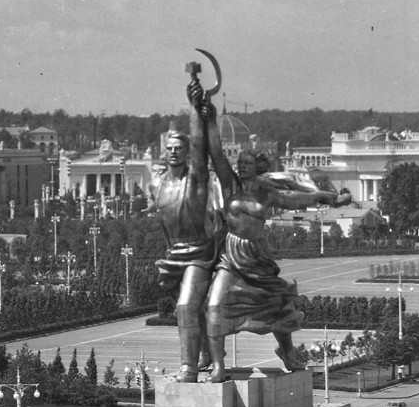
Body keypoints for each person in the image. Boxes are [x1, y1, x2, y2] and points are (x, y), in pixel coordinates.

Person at [200, 96, 350, 372]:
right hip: (230, 256)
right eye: (240, 162)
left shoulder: (268, 194)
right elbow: (217, 154)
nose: (240, 165)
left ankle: (288, 352)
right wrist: (210, 120)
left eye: (246, 162)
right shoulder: (230, 185)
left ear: (257, 167)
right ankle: (216, 362)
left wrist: (332, 200)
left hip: (256, 257)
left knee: (276, 305)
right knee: (214, 304)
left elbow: (302, 198)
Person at [147, 76, 223, 382]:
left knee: (184, 308)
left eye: (180, 147)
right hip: (173, 255)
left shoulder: (196, 180)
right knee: (195, 310)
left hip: (199, 254)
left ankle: (188, 369)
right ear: (164, 151)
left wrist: (194, 107)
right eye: (170, 148)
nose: (175, 152)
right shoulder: (156, 184)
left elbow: (201, 144)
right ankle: (205, 355)